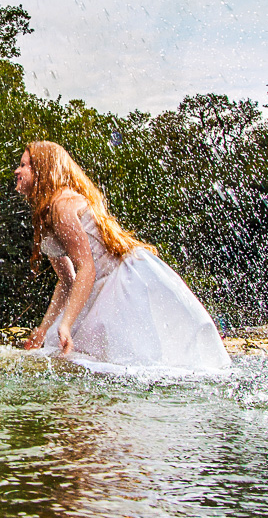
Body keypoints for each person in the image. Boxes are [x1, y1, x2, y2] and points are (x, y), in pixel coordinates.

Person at [14, 140, 230, 370]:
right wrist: (44, 328)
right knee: (86, 359)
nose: (17, 171)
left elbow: (87, 268)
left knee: (134, 363)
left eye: (24, 165)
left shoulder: (62, 206)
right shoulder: (47, 211)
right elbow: (67, 280)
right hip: (98, 284)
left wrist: (65, 323)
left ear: (44, 170)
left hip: (121, 279)